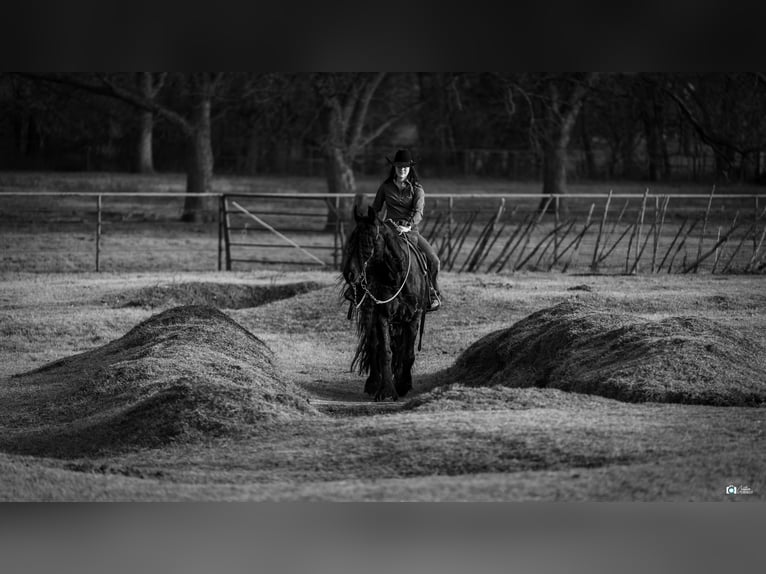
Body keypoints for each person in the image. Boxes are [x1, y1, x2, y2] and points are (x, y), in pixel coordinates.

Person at [371, 149, 441, 311]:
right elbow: (376, 208)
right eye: (399, 166)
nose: (402, 169)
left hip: (411, 232)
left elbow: (418, 212)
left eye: (405, 167)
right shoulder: (385, 187)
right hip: (388, 231)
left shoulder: (417, 189)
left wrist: (408, 226)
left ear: (410, 168)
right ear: (394, 167)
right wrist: (373, 223)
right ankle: (361, 288)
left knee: (434, 261)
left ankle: (432, 293)